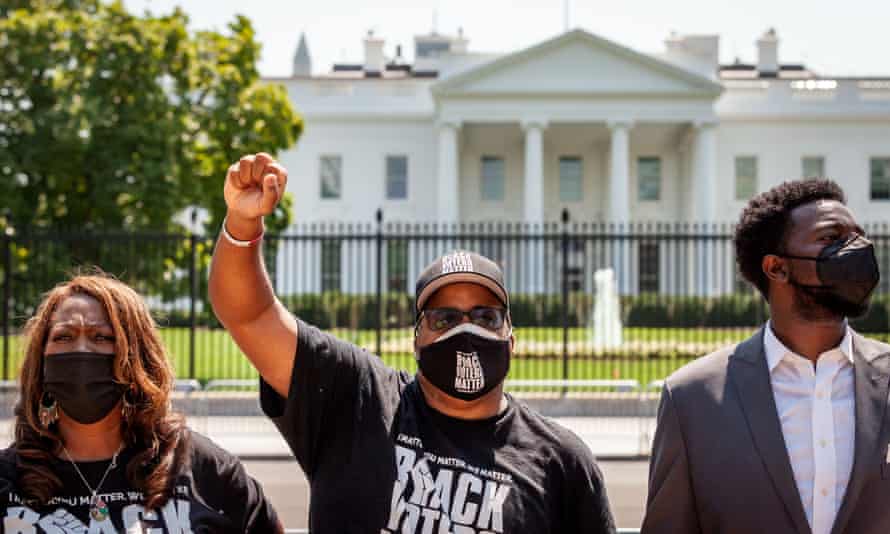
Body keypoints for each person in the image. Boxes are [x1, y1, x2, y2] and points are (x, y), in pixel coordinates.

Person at [209, 153, 617, 533]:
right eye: (444, 318)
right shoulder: (356, 400)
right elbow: (251, 316)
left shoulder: (562, 463)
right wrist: (243, 226)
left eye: (485, 317)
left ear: (511, 339)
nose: (466, 330)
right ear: (416, 338)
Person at [641, 179, 890, 534]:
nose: (856, 248)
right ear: (776, 267)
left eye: (858, 235)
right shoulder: (692, 400)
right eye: (830, 238)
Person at [1, 273, 282, 533]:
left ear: (136, 358)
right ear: (41, 360)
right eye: (64, 336)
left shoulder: (203, 468)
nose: (81, 350)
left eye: (102, 337)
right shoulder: (8, 478)